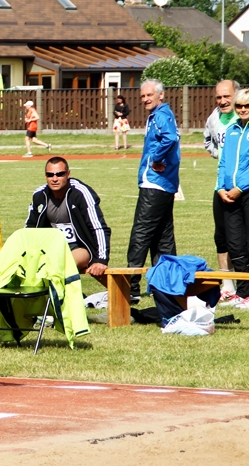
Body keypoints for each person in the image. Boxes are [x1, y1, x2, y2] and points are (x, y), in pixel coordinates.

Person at [127, 79, 181, 301]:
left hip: (155, 183)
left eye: (149, 95)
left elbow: (170, 138)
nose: (145, 99)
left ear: (161, 95)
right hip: (164, 184)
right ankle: (166, 285)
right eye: (142, 96)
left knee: (141, 232)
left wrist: (156, 158)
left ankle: (131, 287)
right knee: (163, 236)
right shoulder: (161, 115)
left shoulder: (160, 115)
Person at [25, 156, 110, 286]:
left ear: (68, 174)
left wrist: (101, 259)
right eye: (50, 175)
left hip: (80, 248)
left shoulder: (81, 193)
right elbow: (30, 228)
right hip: (52, 248)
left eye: (60, 174)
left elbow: (99, 228)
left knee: (60, 264)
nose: (54, 179)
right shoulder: (39, 195)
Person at [204, 80, 240, 302]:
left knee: (241, 238)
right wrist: (218, 153)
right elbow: (208, 140)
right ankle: (227, 285)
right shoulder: (214, 117)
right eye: (219, 97)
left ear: (237, 95)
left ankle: (244, 286)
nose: (223, 101)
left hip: (242, 185)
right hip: (221, 185)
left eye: (227, 96)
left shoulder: (244, 116)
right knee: (222, 236)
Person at [216, 88, 249, 309]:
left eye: (247, 106)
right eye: (239, 106)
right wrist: (220, 187)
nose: (243, 109)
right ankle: (243, 293)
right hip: (228, 195)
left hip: (246, 192)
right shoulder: (232, 129)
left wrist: (241, 187)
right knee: (236, 246)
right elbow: (223, 162)